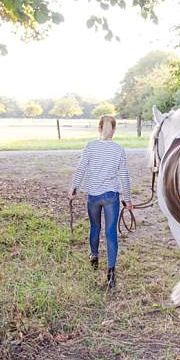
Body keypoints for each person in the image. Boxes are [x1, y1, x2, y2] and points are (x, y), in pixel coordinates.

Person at [68, 116, 133, 289]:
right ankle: (111, 272)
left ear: (99, 128)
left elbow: (81, 168)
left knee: (94, 227)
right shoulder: (119, 149)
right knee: (110, 233)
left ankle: (94, 257)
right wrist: (127, 198)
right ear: (114, 130)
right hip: (111, 196)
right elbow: (124, 176)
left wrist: (74, 188)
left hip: (94, 196)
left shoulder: (90, 146)